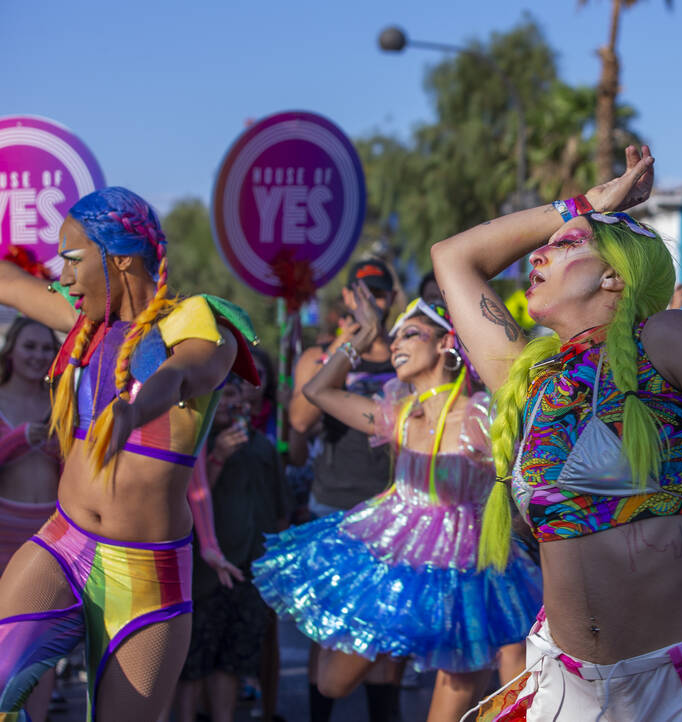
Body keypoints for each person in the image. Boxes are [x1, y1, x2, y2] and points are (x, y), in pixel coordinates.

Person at [432, 145, 682, 720]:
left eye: (567, 243)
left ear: (613, 276)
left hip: (676, 686)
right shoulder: (528, 376)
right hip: (564, 688)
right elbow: (453, 257)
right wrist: (584, 205)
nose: (540, 252)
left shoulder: (666, 337)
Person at [0, 187, 259, 721]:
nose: (63, 276)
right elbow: (8, 283)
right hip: (63, 542)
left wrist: (136, 411)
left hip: (147, 577)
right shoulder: (85, 325)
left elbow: (184, 370)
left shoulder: (197, 322)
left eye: (72, 260)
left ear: (119, 258)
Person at [254, 293, 541, 721]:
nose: (394, 345)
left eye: (409, 334)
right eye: (391, 338)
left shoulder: (486, 416)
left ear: (446, 343)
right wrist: (359, 339)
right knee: (333, 680)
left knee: (454, 703)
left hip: (469, 574)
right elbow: (317, 390)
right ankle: (396, 651)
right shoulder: (399, 416)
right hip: (396, 563)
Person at [287, 258, 400, 722]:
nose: (374, 298)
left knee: (389, 644)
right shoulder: (320, 357)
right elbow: (299, 420)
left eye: (381, 290)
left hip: (392, 514)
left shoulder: (407, 351)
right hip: (332, 508)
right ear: (348, 298)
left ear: (392, 297)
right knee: (327, 633)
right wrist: (346, 347)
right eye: (363, 290)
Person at [175, 378, 289, 722]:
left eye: (232, 394)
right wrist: (218, 457)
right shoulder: (194, 444)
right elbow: (191, 499)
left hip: (251, 568)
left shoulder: (263, 446)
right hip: (205, 574)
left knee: (233, 661)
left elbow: (280, 505)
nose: (225, 402)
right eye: (218, 395)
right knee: (194, 663)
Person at [0, 318, 61, 721]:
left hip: (53, 537)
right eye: (30, 347)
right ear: (11, 351)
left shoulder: (63, 401)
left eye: (46, 349)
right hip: (4, 535)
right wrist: (21, 438)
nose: (38, 356)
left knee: (42, 649)